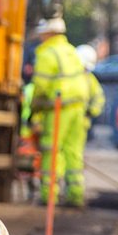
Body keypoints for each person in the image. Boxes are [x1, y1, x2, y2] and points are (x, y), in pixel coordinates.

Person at [29, 17, 90, 207]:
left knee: (52, 149)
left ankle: (50, 195)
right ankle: (75, 195)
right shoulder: (70, 50)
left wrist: (34, 110)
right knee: (73, 151)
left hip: (58, 107)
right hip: (78, 108)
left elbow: (40, 87)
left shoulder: (47, 53)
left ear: (48, 33)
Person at [76, 44, 106, 144]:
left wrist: (90, 112)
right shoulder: (74, 77)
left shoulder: (90, 79)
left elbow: (99, 98)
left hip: (81, 122)